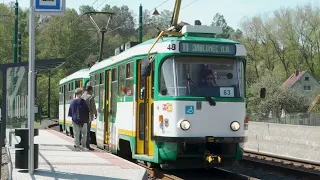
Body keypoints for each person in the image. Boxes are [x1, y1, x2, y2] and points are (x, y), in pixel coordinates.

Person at [81, 86, 97, 150]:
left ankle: (81, 144)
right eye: (92, 90)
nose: (92, 91)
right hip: (88, 116)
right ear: (90, 90)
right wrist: (95, 113)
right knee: (87, 131)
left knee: (82, 130)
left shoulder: (82, 96)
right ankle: (87, 145)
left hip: (81, 116)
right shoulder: (90, 97)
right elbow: (93, 106)